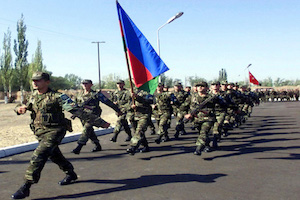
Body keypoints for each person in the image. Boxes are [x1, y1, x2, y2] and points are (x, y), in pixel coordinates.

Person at [12, 72, 82, 199]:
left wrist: (100, 122)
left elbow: (76, 110)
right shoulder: (32, 96)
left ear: (47, 82)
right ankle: (70, 173)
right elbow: (20, 105)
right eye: (34, 80)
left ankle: (26, 186)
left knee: (39, 155)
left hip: (55, 130)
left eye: (38, 80)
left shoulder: (58, 96)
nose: (35, 82)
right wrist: (19, 109)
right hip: (40, 132)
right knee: (55, 156)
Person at [72, 79, 121, 154]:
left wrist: (117, 110)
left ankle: (79, 146)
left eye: (86, 84)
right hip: (82, 115)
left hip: (93, 115)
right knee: (89, 130)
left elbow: (108, 102)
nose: (85, 85)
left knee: (87, 127)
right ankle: (97, 145)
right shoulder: (79, 95)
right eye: (83, 84)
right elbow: (74, 105)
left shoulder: (96, 94)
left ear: (91, 85)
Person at [126, 89, 154, 155]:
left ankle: (133, 147)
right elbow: (126, 103)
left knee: (139, 131)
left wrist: (137, 97)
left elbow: (149, 101)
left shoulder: (146, 91)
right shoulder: (132, 91)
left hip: (144, 115)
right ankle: (145, 146)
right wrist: (131, 106)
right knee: (138, 132)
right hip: (135, 115)